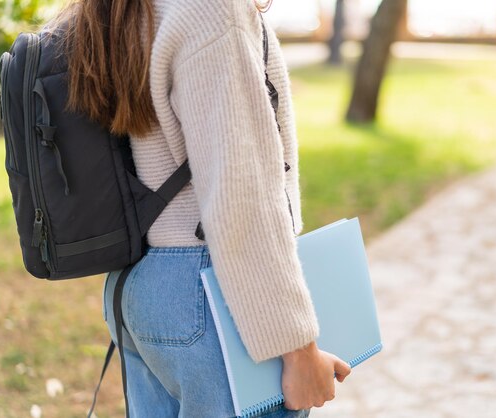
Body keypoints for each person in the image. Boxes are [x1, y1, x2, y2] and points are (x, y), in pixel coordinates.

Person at [52, 0, 352, 416]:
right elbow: (241, 198)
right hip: (212, 294)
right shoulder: (212, 11)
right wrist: (298, 350)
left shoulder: (123, 9)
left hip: (142, 288)